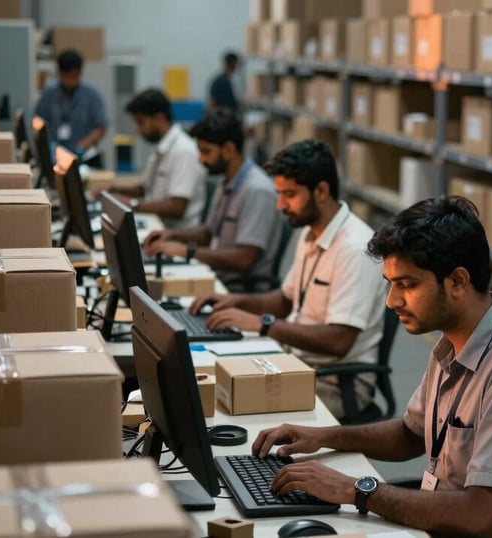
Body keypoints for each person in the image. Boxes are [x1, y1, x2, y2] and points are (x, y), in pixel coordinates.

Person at [253, 196, 492, 537]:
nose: (392, 301)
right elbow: (410, 435)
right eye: (391, 283)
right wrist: (324, 436)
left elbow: (481, 517)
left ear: (458, 281)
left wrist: (357, 490)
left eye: (407, 285)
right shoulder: (453, 341)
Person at [190, 140, 386, 419]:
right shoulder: (310, 231)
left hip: (335, 382)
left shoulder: (355, 249)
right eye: (279, 194)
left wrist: (263, 324)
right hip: (296, 361)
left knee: (219, 406)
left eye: (290, 194)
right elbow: (285, 299)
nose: (281, 205)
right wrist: (236, 301)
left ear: (320, 191)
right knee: (207, 381)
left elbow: (338, 341)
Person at [143, 107, 282, 289]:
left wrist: (188, 252)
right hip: (215, 276)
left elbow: (244, 259)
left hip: (238, 289)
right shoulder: (226, 180)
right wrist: (173, 236)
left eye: (206, 152)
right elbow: (210, 233)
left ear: (228, 149)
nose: (200, 159)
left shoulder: (256, 191)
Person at [95, 88, 207, 229]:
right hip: (156, 225)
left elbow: (177, 208)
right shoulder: (162, 147)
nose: (137, 129)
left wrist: (132, 203)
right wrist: (113, 190)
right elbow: (143, 188)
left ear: (159, 118)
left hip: (176, 235)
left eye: (141, 122)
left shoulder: (184, 151)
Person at [35, 49, 107, 167]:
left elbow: (100, 127)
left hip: (83, 156)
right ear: (59, 73)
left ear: (80, 73)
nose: (69, 81)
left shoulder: (91, 95)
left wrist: (83, 145)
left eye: (73, 76)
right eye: (65, 76)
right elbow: (39, 124)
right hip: (55, 156)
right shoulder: (48, 95)